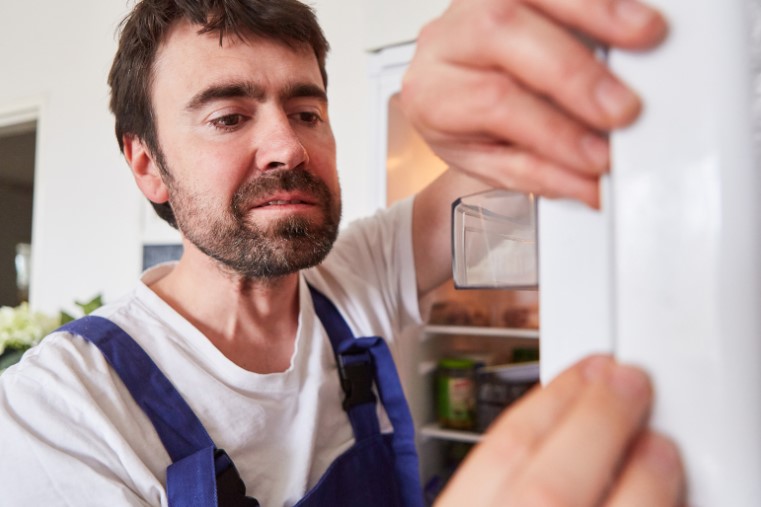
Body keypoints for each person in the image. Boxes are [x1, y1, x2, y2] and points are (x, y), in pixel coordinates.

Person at [0, 0, 684, 506]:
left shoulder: (353, 278)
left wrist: (506, 68)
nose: (289, 147)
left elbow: (518, 157)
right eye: (229, 117)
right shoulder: (60, 407)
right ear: (147, 164)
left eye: (306, 112)